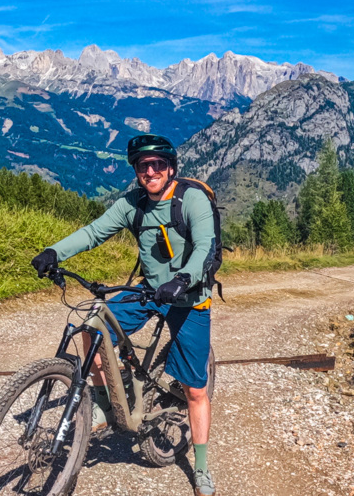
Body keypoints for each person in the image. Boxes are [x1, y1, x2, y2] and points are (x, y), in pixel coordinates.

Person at [31, 134, 217, 496]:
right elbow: (94, 232)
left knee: (195, 389)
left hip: (189, 296)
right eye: (143, 166)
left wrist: (182, 280)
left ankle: (202, 467)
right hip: (150, 290)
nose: (151, 171)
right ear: (136, 171)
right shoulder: (133, 203)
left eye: (158, 164)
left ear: (171, 168)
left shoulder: (191, 199)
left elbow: (205, 248)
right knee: (92, 325)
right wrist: (54, 252)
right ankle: (105, 405)